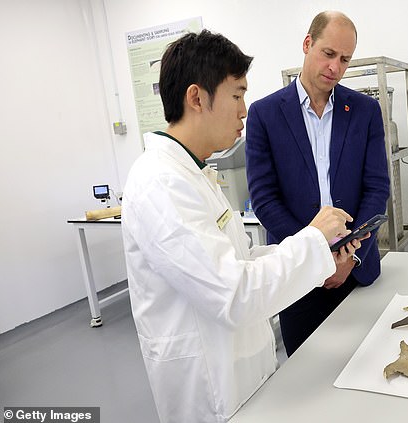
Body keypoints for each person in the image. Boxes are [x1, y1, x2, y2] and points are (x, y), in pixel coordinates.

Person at [121, 29, 362, 423]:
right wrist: (314, 240)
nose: (244, 110)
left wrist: (318, 253)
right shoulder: (160, 183)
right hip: (210, 390)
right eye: (236, 95)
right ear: (197, 98)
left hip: (241, 372)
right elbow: (234, 293)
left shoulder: (195, 173)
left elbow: (241, 259)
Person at [245, 11, 390, 356]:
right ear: (308, 44)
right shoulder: (265, 115)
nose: (336, 68)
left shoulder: (365, 110)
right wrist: (314, 258)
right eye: (328, 54)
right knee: (305, 374)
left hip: (355, 269)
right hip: (298, 278)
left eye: (345, 59)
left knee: (367, 365)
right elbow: (265, 199)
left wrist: (348, 259)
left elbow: (377, 188)